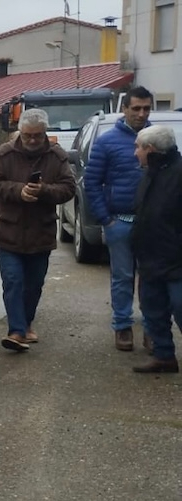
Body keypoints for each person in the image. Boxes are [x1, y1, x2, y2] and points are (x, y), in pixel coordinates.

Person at [0, 108, 76, 351]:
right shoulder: (5, 154)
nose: (32, 140)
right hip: (9, 232)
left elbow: (68, 188)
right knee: (13, 281)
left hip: (40, 234)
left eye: (37, 135)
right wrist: (19, 191)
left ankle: (25, 323)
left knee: (33, 285)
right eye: (27, 135)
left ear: (45, 132)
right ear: (20, 132)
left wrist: (43, 191)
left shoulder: (57, 156)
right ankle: (16, 331)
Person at [83, 86, 154, 352]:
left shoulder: (159, 140)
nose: (141, 114)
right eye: (136, 108)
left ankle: (153, 329)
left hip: (153, 226)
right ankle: (122, 326)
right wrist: (106, 220)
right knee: (122, 277)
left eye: (146, 108)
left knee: (151, 278)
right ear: (124, 109)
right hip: (120, 222)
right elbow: (92, 182)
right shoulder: (107, 142)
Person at [130, 125, 182, 373]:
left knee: (180, 307)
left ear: (150, 149)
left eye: (138, 148)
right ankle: (164, 357)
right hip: (150, 257)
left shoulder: (178, 173)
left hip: (176, 260)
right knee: (153, 310)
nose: (135, 153)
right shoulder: (150, 173)